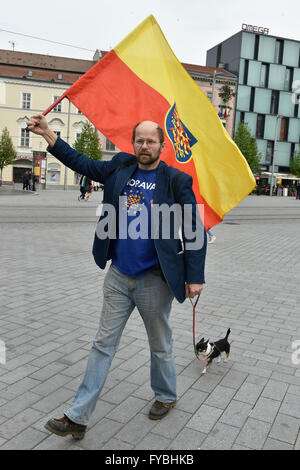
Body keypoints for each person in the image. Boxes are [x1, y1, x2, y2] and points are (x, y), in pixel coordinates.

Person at [27, 114, 206, 439]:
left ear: (162, 146)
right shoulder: (120, 167)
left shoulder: (175, 180)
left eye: (151, 140)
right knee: (102, 345)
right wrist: (49, 135)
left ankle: (166, 396)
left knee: (159, 345)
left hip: (154, 280)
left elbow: (194, 228)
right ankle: (77, 417)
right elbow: (81, 162)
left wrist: (195, 276)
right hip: (119, 276)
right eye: (140, 140)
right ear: (133, 143)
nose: (144, 145)